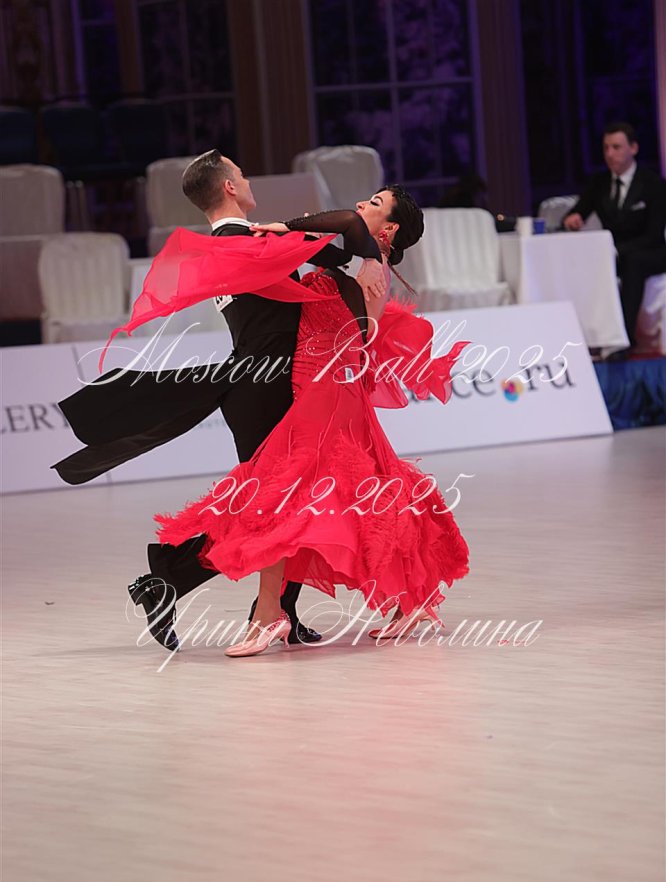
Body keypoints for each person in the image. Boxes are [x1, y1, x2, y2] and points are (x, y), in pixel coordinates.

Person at [53, 151, 387, 651]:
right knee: (278, 504)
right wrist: (363, 253)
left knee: (294, 500)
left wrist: (344, 248)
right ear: (229, 187)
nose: (248, 180)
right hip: (266, 384)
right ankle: (177, 580)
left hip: (266, 380)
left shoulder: (239, 242)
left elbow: (335, 251)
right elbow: (346, 237)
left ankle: (263, 605)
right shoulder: (242, 243)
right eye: (242, 174)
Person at [150, 188, 470, 657]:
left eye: (375, 203)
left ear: (389, 228)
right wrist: (292, 236)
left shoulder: (370, 263)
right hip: (318, 380)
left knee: (285, 494)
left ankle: (268, 616)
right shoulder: (355, 258)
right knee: (364, 489)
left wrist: (284, 226)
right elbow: (323, 243)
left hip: (329, 385)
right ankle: (411, 598)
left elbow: (343, 223)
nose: (362, 205)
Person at [563, 122, 666, 356]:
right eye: (606, 148)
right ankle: (585, 337)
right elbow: (578, 211)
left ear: (633, 148)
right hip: (613, 252)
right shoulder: (599, 183)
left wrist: (618, 251)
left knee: (634, 262)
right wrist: (573, 219)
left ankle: (623, 339)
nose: (610, 154)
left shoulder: (653, 184)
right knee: (585, 262)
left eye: (616, 147)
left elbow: (653, 235)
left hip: (653, 252)